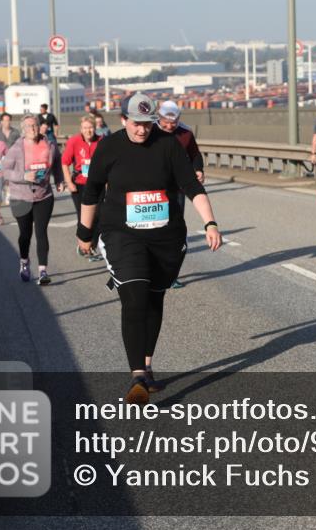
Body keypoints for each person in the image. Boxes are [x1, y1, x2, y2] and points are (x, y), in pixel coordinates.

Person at [77, 92, 222, 404]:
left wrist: (210, 223)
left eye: (147, 123)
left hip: (165, 238)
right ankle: (137, 377)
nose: (142, 129)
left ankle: (146, 363)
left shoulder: (168, 145)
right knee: (135, 294)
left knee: (154, 298)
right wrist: (84, 232)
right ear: (123, 120)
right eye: (136, 123)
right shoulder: (109, 147)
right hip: (121, 234)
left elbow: (192, 186)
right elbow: (91, 191)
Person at [3, 114, 64, 285]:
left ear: (39, 126)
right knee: (25, 234)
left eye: (35, 125)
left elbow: (57, 164)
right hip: (20, 197)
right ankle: (24, 261)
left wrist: (59, 180)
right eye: (29, 126)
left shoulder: (50, 145)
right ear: (23, 129)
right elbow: (5, 171)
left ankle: (43, 271)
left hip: (44, 196)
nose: (33, 128)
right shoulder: (17, 148)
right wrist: (23, 176)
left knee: (41, 232)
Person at [156, 100, 205, 289]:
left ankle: (171, 275)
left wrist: (198, 169)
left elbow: (195, 155)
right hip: (154, 189)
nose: (170, 126)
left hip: (177, 189)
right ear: (159, 117)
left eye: (173, 122)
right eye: (166, 122)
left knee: (174, 230)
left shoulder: (185, 133)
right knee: (155, 229)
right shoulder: (149, 130)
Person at [61, 114, 103, 260]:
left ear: (95, 128)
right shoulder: (74, 141)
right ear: (81, 129)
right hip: (80, 184)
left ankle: (92, 244)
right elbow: (65, 162)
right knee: (83, 217)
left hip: (97, 184)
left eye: (90, 127)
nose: (88, 131)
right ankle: (85, 246)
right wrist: (69, 182)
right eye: (85, 128)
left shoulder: (102, 141)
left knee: (99, 216)